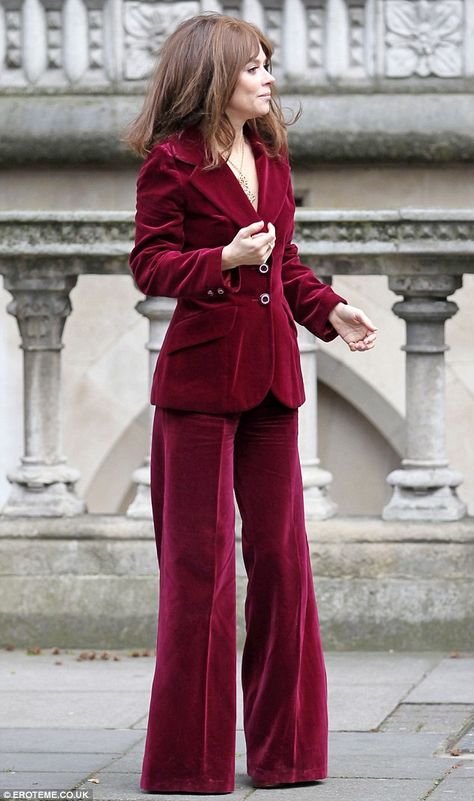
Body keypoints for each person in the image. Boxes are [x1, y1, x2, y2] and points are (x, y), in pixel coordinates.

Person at [127, 12, 377, 795]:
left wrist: (328, 309)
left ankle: (288, 755)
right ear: (215, 76)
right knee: (199, 572)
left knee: (282, 563)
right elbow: (151, 264)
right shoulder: (169, 163)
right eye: (255, 67)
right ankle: (188, 765)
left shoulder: (268, 156)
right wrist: (222, 258)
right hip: (199, 388)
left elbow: (287, 263)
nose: (268, 78)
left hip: (273, 382)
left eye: (267, 65)